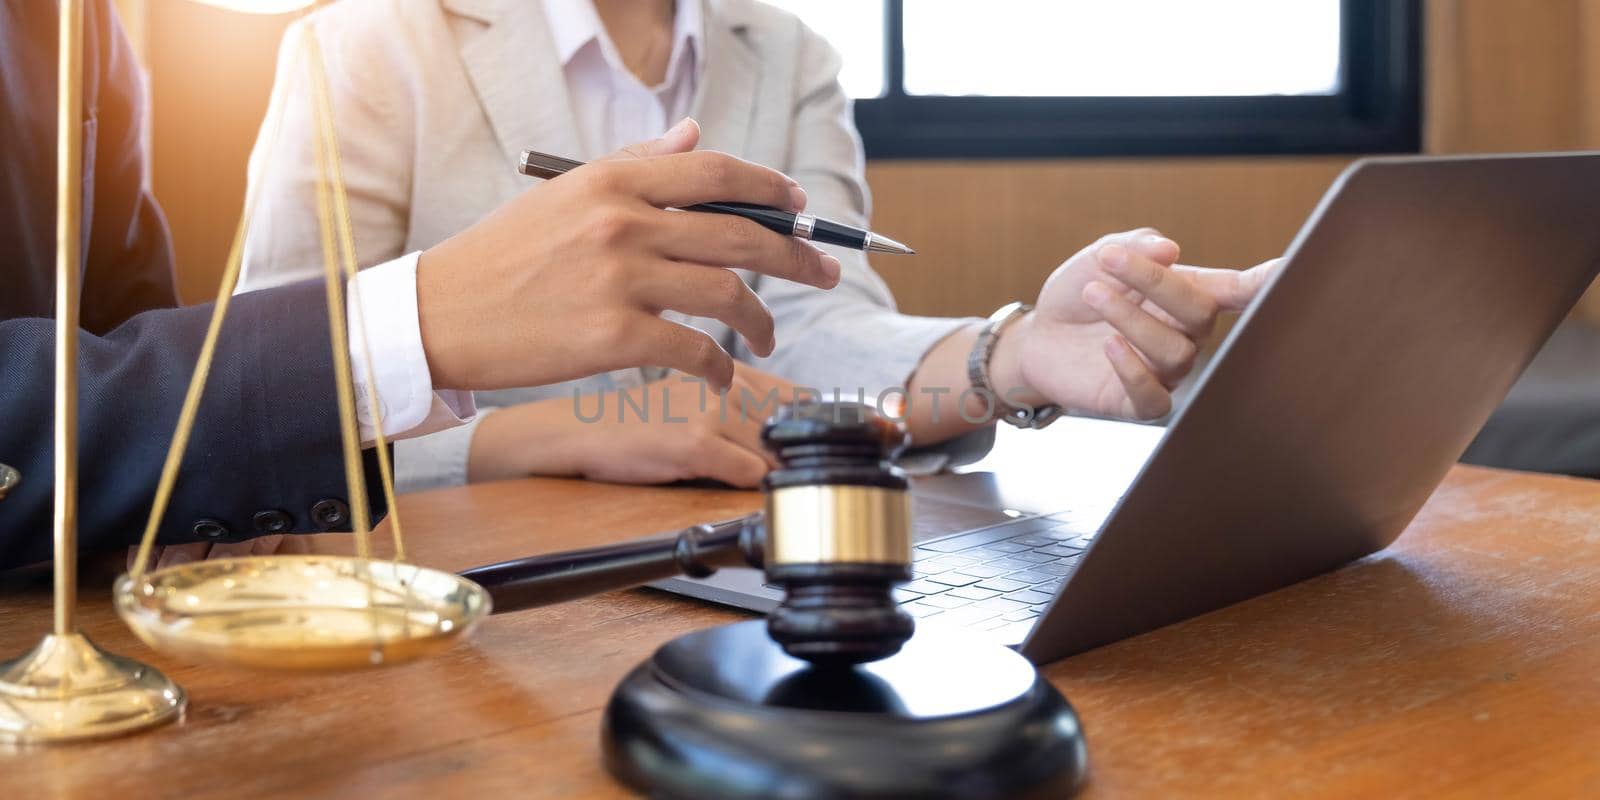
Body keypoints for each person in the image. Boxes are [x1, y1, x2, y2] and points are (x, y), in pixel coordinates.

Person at [240, 0, 1274, 493]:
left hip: (730, 556)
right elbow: (260, 412)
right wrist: (539, 435)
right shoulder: (365, 48)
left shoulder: (788, 53)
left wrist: (1008, 358)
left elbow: (814, 323)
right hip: (468, 584)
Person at [0, 0, 843, 569]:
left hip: (677, 552)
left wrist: (974, 355)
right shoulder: (367, 37)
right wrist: (413, 325)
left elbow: (158, 403)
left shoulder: (78, 23)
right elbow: (204, 415)